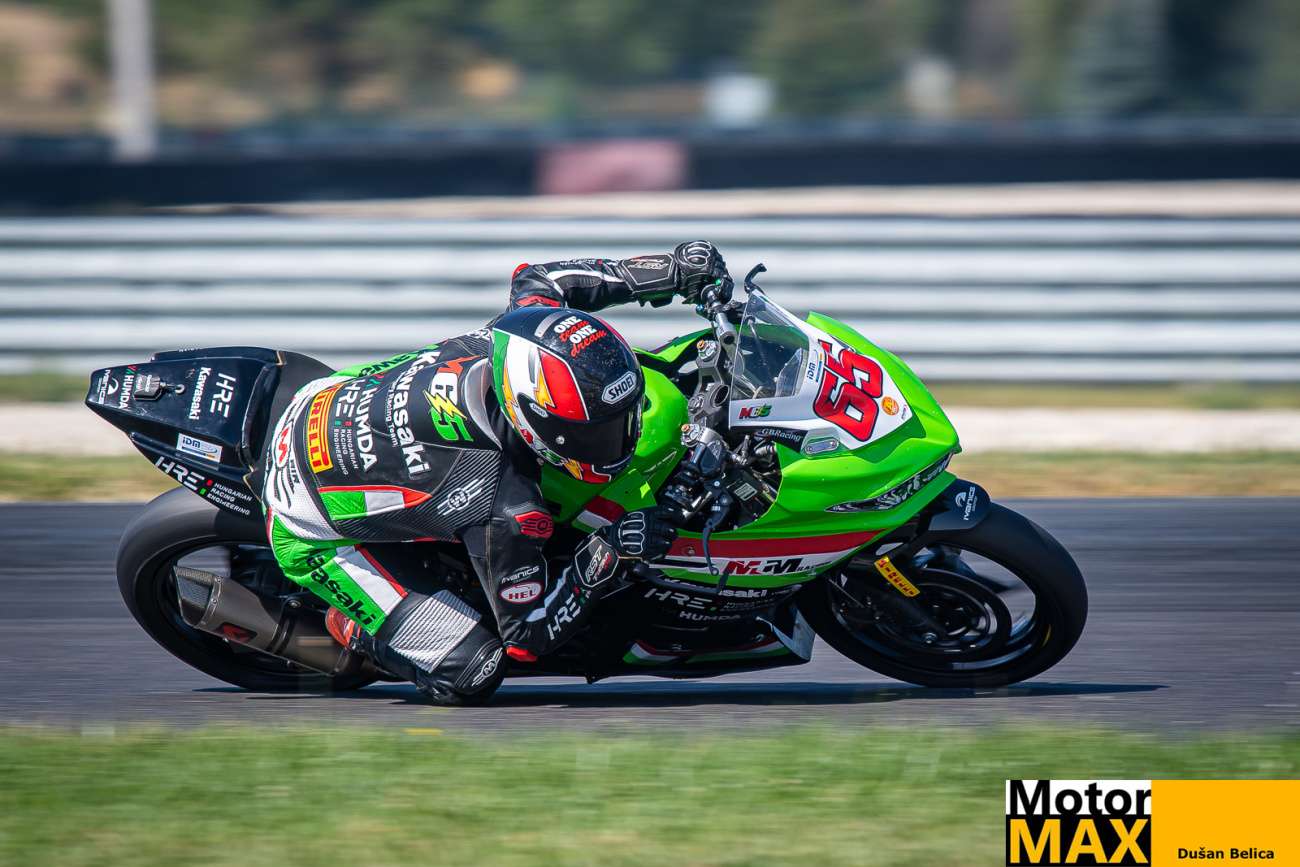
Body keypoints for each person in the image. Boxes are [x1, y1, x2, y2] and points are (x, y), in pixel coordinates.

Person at [262, 240, 731, 703]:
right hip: (305, 520)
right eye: (598, 433)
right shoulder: (502, 503)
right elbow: (527, 636)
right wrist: (606, 552)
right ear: (537, 423)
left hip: (323, 400)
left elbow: (541, 277)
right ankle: (352, 628)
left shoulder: (510, 339)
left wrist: (668, 271)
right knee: (475, 669)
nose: (623, 436)